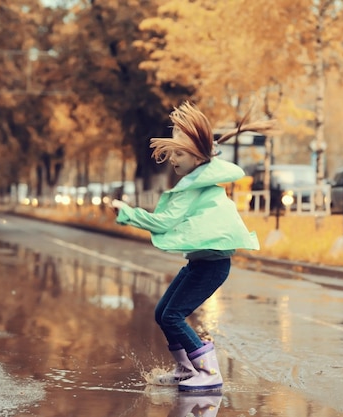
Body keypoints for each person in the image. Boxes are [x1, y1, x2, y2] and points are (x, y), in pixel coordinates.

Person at [111, 101, 273, 392]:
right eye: (171, 152)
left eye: (179, 153)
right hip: (201, 264)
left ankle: (209, 372)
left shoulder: (196, 187)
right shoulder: (197, 182)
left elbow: (163, 223)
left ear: (198, 157)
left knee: (172, 316)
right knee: (163, 313)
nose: (173, 159)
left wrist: (127, 212)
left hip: (212, 266)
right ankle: (186, 369)